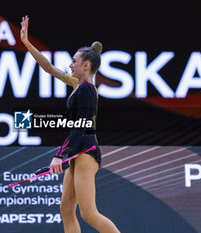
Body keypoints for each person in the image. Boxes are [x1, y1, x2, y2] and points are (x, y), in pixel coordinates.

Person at [20, 16, 120, 233]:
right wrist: (27, 43)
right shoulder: (77, 83)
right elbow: (48, 68)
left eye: (74, 61)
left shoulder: (85, 90)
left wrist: (60, 155)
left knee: (88, 213)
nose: (70, 64)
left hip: (85, 152)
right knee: (66, 209)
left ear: (86, 65)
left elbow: (81, 126)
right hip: (78, 151)